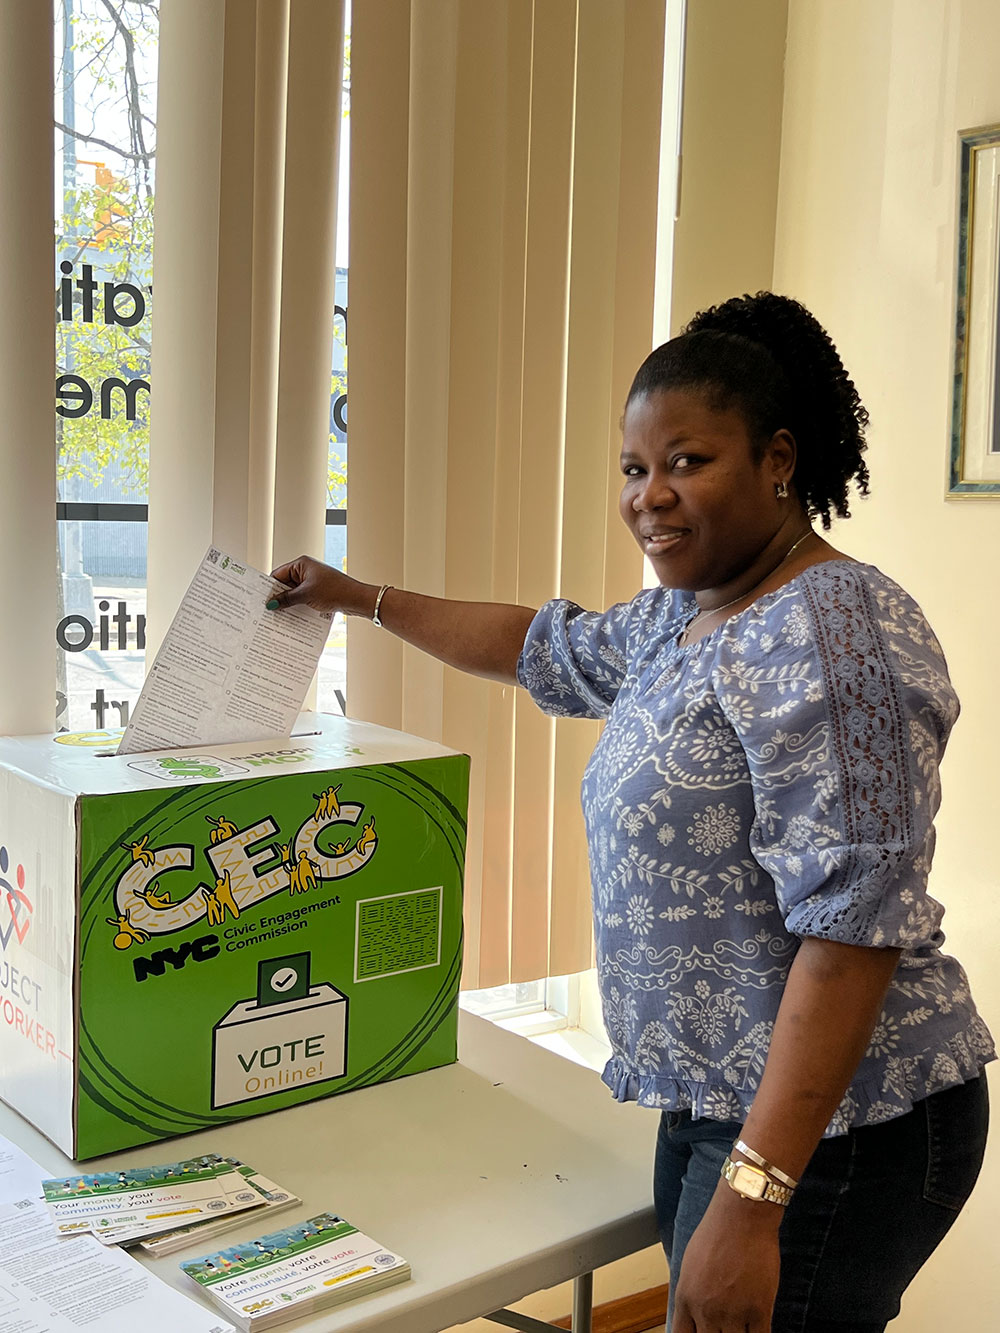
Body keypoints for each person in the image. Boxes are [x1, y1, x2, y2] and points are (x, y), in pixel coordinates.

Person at [267, 291, 993, 1332]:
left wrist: (753, 1198)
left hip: (840, 1131)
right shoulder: (687, 617)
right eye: (633, 468)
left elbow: (849, 936)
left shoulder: (833, 634)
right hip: (726, 1108)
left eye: (686, 461)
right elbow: (537, 647)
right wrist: (355, 597)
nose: (649, 495)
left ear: (777, 459)